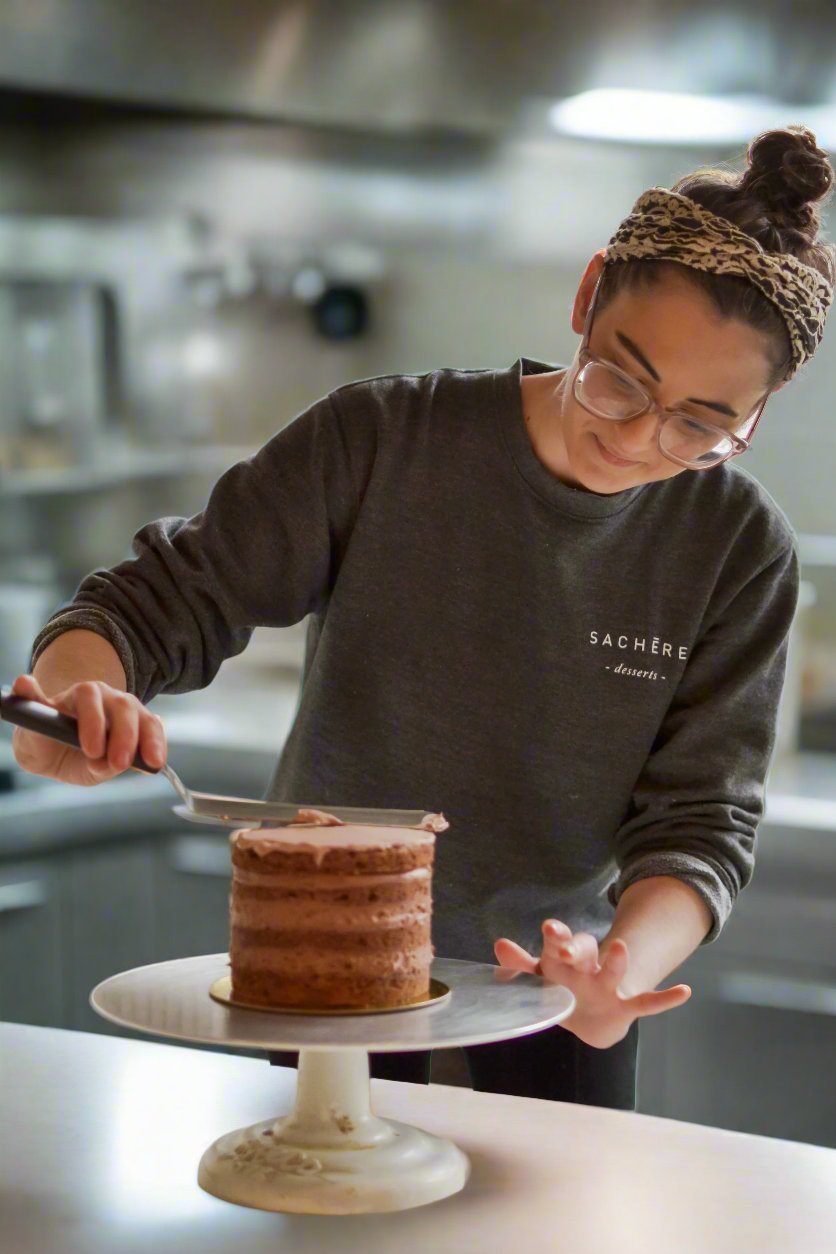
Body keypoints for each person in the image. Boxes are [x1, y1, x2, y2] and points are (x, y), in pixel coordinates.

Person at [10, 125, 834, 1112]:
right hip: (324, 992)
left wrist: (614, 970)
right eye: (620, 379)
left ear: (758, 412)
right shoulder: (381, 441)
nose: (636, 441)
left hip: (550, 1008)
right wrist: (77, 698)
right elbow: (151, 605)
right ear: (585, 294)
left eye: (699, 427)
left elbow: (699, 824)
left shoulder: (737, 550)